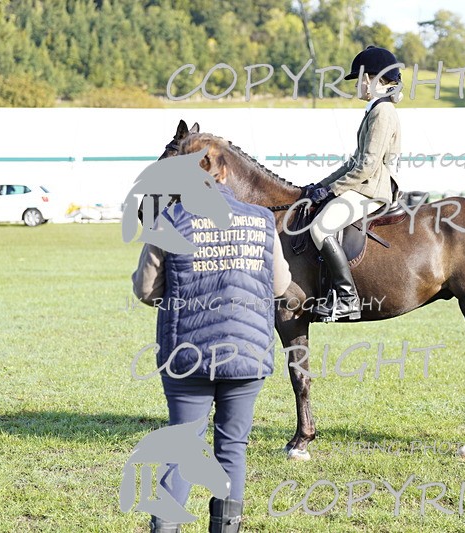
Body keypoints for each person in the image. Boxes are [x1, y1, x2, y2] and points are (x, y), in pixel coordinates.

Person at [132, 135, 292, 533]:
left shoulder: (167, 220)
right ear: (224, 171)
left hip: (187, 354)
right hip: (247, 352)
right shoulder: (260, 219)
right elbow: (278, 285)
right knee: (233, 449)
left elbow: (145, 290)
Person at [305, 45, 402, 321]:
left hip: (372, 188)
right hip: (364, 183)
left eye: (359, 79)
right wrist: (319, 185)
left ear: (371, 79)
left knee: (321, 228)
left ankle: (347, 298)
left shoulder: (383, 113)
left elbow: (367, 165)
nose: (357, 86)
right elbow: (353, 162)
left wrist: (334, 190)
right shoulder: (375, 110)